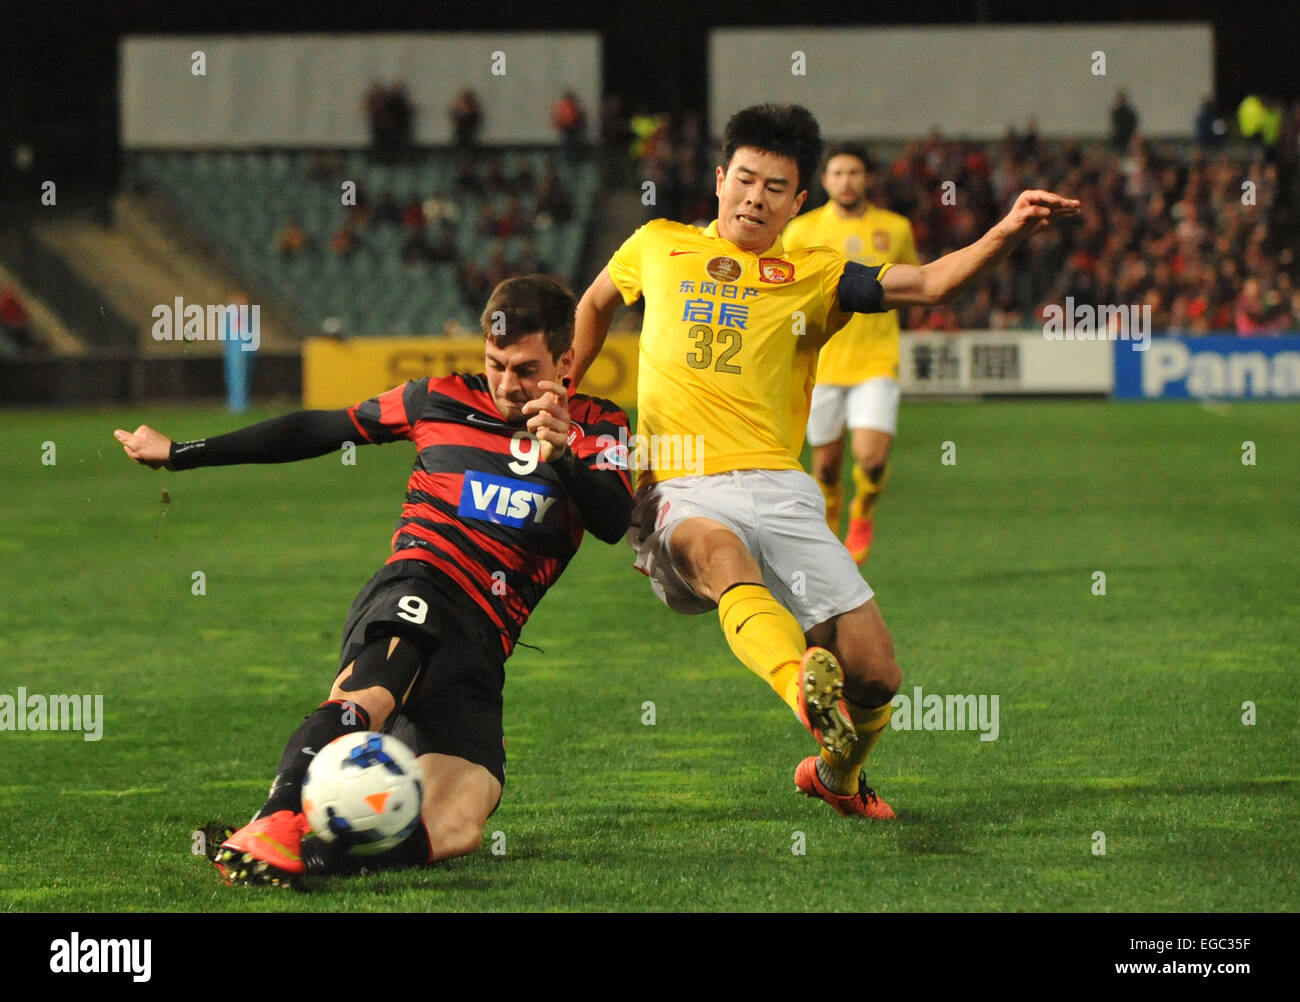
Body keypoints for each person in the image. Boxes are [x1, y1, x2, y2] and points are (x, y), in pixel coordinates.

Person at [571, 104, 1078, 820]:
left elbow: (930, 285)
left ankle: (836, 776)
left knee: (876, 673)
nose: (755, 197)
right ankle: (802, 692)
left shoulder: (817, 273)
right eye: (745, 179)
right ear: (719, 179)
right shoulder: (657, 243)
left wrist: (1007, 229)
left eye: (776, 187)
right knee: (719, 559)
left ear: (798, 201)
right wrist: (565, 385)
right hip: (677, 483)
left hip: (781, 485)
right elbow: (594, 303)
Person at [114, 276, 633, 885]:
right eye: (495, 365)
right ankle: (276, 818)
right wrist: (181, 452)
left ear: (566, 360)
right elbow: (318, 430)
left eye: (525, 368)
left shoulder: (602, 426)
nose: (506, 385)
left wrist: (564, 453)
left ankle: (309, 859)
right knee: (370, 696)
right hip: (422, 583)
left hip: (483, 643)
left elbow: (611, 521)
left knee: (459, 822)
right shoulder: (436, 399)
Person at [782, 143, 919, 562]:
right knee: (824, 468)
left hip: (876, 360)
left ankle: (863, 510)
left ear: (867, 179)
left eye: (854, 173)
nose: (846, 181)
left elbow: (913, 283)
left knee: (870, 456)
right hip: (820, 364)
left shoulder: (895, 228)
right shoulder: (801, 231)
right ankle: (830, 527)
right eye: (838, 173)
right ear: (824, 181)